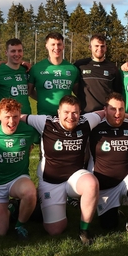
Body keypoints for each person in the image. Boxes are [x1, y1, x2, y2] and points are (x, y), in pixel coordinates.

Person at [22, 95, 104, 243]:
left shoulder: (86, 122)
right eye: (66, 112)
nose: (71, 117)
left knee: (91, 183)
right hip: (51, 181)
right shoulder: (45, 122)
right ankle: (34, 206)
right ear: (58, 112)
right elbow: (19, 117)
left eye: (75, 113)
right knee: (55, 230)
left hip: (75, 178)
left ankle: (84, 230)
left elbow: (106, 112)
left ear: (80, 113)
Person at [89, 93, 128, 239]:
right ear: (105, 110)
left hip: (126, 178)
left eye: (121, 109)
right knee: (109, 226)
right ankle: (115, 207)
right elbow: (83, 117)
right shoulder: (94, 127)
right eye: (113, 109)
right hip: (105, 185)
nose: (117, 113)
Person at [0, 98, 39, 239]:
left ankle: (20, 224)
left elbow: (47, 135)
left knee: (30, 193)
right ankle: (12, 207)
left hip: (18, 179)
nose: (12, 122)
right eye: (7, 116)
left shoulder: (29, 130)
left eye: (15, 117)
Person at [28, 32, 80, 115]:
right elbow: (29, 91)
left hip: (66, 118)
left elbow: (78, 93)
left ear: (63, 46)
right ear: (46, 46)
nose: (56, 47)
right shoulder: (36, 68)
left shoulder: (73, 69)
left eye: (59, 44)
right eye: (53, 44)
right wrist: (42, 99)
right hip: (44, 118)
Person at [75, 34, 124, 113]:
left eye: (102, 46)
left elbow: (117, 93)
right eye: (96, 46)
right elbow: (74, 87)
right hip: (85, 114)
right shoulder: (80, 65)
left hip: (106, 115)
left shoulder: (112, 68)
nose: (99, 49)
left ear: (106, 48)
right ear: (90, 47)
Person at [0, 38, 32, 114]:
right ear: (6, 53)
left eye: (19, 51)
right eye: (13, 51)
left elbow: (31, 92)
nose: (17, 54)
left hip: (26, 118)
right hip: (8, 119)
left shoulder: (25, 70)